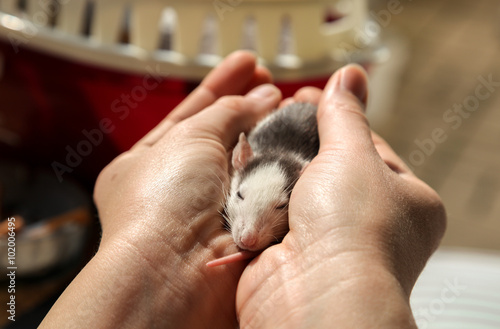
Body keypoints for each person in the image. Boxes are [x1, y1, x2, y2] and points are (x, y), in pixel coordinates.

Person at [40, 51, 446, 329]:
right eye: (239, 200)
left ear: (308, 181)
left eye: (281, 208)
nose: (247, 234)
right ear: (239, 163)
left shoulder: (304, 170)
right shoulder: (248, 158)